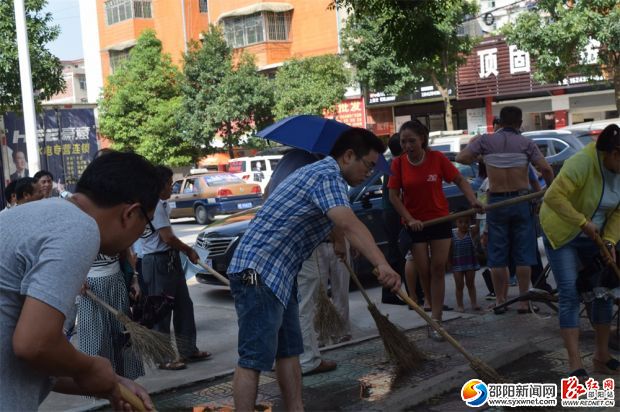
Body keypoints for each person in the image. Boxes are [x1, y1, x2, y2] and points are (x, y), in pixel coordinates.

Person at [227, 128, 401, 411]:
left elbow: (337, 222)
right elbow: (349, 223)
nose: (370, 173)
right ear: (347, 156)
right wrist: (382, 264)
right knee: (253, 358)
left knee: (289, 351)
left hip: (279, 276)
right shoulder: (326, 175)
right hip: (257, 273)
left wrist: (348, 245)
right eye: (368, 165)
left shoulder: (324, 177)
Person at [0, 151, 158, 411]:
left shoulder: (27, 217)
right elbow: (34, 344)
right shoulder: (80, 228)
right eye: (146, 224)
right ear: (130, 213)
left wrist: (111, 382)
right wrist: (90, 366)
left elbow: (31, 357)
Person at [388, 120, 482, 341]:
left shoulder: (437, 159)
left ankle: (438, 320)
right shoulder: (398, 164)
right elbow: (393, 196)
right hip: (415, 225)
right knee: (425, 270)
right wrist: (409, 219)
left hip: (439, 220)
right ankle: (430, 313)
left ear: (423, 139)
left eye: (412, 140)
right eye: (404, 141)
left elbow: (459, 179)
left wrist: (472, 200)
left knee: (439, 268)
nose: (408, 145)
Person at [540, 123, 620, 380]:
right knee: (569, 292)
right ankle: (575, 364)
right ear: (614, 154)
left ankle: (601, 356)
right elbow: (552, 197)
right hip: (562, 231)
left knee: (604, 291)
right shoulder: (583, 162)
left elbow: (619, 211)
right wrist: (582, 222)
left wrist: (609, 241)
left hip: (596, 235)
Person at [456, 106, 554, 314]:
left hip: (497, 203)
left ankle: (500, 300)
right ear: (519, 124)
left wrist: (483, 157)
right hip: (521, 201)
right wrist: (548, 193)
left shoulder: (486, 141)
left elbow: (461, 158)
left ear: (500, 122)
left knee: (498, 255)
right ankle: (523, 302)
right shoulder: (526, 143)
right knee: (523, 254)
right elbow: (546, 169)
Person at [264, 149, 340, 375]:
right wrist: (339, 240)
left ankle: (281, 356)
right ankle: (308, 360)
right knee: (306, 302)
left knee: (286, 303)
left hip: (273, 243)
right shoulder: (319, 167)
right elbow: (332, 210)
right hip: (295, 243)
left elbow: (266, 194)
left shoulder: (288, 159)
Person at [141, 165, 211, 371]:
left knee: (184, 305)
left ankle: (188, 349)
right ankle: (163, 357)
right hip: (157, 262)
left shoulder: (161, 204)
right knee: (161, 311)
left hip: (169, 260)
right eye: (169, 183)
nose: (172, 187)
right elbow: (167, 237)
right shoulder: (154, 205)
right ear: (159, 185)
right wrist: (188, 250)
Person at [77, 251, 144, 381]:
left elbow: (126, 251)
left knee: (122, 336)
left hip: (116, 284)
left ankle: (126, 382)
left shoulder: (115, 231)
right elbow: (69, 255)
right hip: (91, 288)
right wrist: (76, 277)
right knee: (96, 339)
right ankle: (99, 383)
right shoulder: (79, 233)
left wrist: (135, 279)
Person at [450, 213, 481, 312]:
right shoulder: (452, 234)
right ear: (456, 222)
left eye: (467, 222)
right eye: (460, 222)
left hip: (470, 263)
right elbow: (449, 250)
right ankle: (460, 305)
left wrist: (478, 216)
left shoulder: (471, 233)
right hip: (457, 264)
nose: (464, 224)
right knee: (459, 285)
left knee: (470, 284)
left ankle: (474, 303)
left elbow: (478, 226)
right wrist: (448, 262)